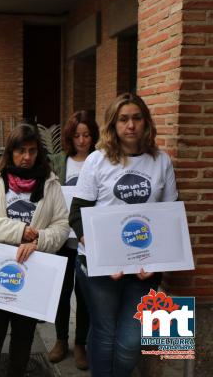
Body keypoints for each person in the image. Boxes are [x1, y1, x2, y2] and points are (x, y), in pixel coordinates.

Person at [69, 93, 178, 377]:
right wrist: (105, 257)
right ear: (113, 125)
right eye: (123, 119)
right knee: (104, 334)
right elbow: (77, 215)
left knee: (131, 341)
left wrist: (155, 263)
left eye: (137, 118)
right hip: (101, 269)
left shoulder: (161, 162)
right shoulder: (97, 161)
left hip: (144, 268)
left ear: (146, 122)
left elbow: (169, 217)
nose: (131, 125)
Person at [0, 124, 70, 377]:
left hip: (32, 271)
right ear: (10, 151)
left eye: (32, 151)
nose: (26, 157)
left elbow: (62, 226)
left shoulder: (49, 182)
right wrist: (19, 231)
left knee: (24, 335)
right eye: (20, 150)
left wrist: (38, 241)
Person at [46, 111, 98, 370]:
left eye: (87, 135)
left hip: (89, 239)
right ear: (69, 136)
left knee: (85, 292)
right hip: (62, 239)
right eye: (77, 135)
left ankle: (80, 344)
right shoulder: (57, 161)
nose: (82, 140)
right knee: (61, 291)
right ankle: (60, 340)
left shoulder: (101, 161)